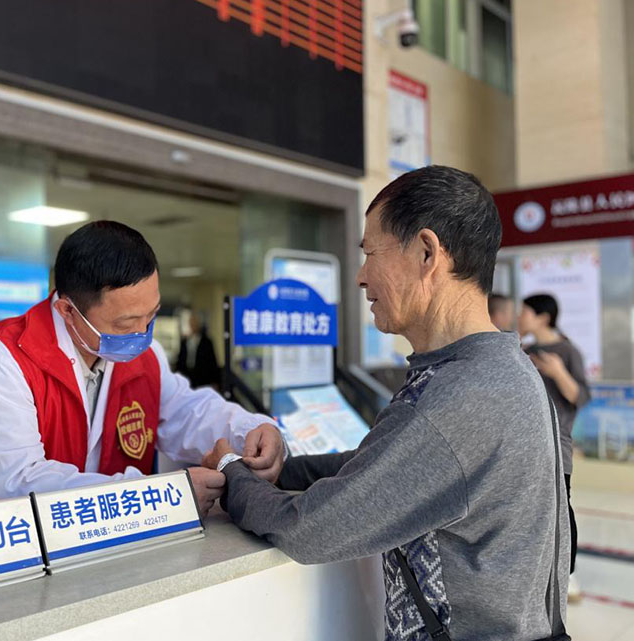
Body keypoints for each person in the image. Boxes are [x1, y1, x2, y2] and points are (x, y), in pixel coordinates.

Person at [205, 166, 569, 640]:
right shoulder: (499, 369)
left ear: (426, 252)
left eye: (369, 253)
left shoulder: (463, 395)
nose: (360, 277)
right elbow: (389, 463)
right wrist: (283, 470)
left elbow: (310, 531)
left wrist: (231, 472)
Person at [0, 221, 284, 515]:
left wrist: (250, 430)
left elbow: (184, 412)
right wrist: (162, 495)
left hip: (91, 545)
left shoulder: (144, 355)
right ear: (67, 311)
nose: (142, 333)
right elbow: (19, 482)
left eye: (152, 315)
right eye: (126, 324)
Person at [518, 293, 590, 587]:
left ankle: (567, 573)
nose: (520, 317)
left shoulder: (567, 351)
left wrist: (558, 373)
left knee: (562, 509)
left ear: (543, 317)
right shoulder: (524, 351)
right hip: (526, 447)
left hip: (557, 447)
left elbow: (581, 397)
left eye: (525, 312)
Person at [175, 311, 220, 389]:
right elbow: (180, 360)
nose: (193, 325)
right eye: (191, 323)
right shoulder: (185, 341)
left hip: (202, 378)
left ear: (199, 324)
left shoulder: (207, 342)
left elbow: (212, 361)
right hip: (187, 377)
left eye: (195, 322)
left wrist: (215, 381)